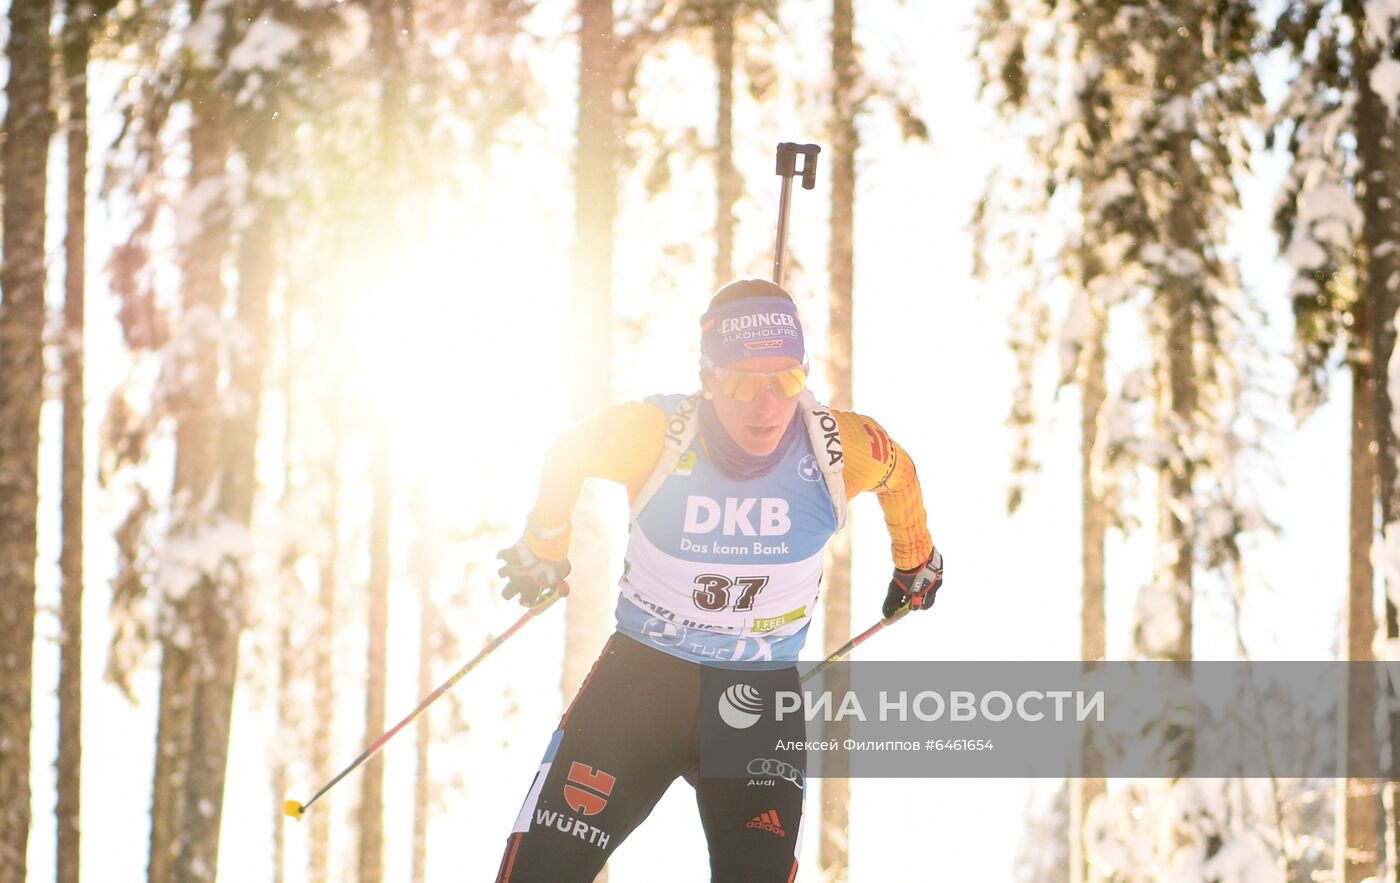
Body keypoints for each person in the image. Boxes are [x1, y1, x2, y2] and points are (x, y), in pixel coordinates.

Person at [493, 278, 943, 882]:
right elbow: (568, 451)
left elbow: (900, 471)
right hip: (639, 689)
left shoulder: (837, 450)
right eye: (741, 380)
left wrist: (915, 560)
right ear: (708, 378)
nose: (767, 405)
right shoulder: (656, 434)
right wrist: (543, 546)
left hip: (756, 707)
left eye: (785, 379)